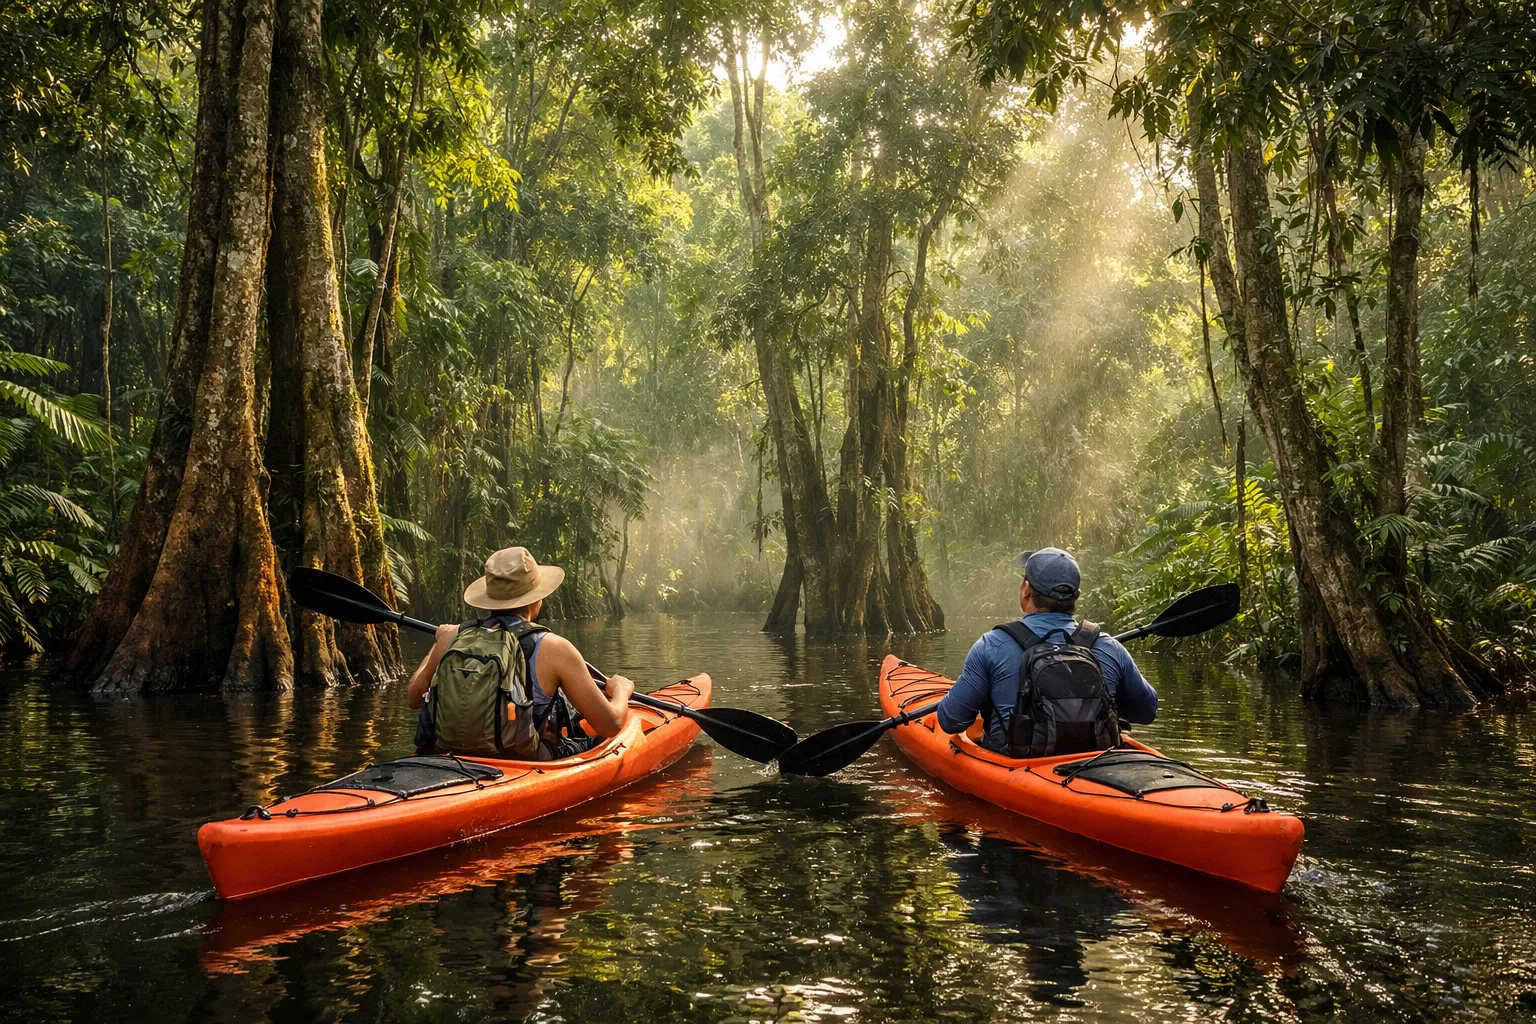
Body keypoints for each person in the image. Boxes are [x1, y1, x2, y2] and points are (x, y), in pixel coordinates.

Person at [408, 546, 635, 759]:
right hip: (521, 761)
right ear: (536, 600)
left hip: (448, 755)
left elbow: (414, 698)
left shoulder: (452, 636)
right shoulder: (555, 649)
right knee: (606, 738)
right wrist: (621, 690)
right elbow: (611, 723)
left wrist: (436, 646)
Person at [935, 547, 1157, 758]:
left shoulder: (992, 645)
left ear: (1026, 590)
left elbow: (951, 721)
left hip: (1018, 772)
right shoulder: (1109, 646)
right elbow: (1146, 712)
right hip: (1095, 765)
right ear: (1076, 596)